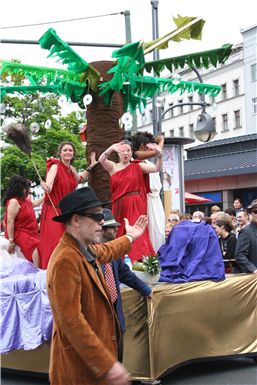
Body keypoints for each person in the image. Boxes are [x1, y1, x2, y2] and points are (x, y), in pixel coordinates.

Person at [47, 186, 148, 385]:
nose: (102, 222)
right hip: (78, 371)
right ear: (76, 220)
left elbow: (108, 250)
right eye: (97, 216)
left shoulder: (84, 248)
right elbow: (71, 322)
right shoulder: (65, 261)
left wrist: (130, 237)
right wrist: (106, 365)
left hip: (91, 368)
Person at [100, 209, 152, 362]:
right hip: (99, 319)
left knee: (117, 358)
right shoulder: (90, 253)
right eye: (112, 226)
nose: (117, 229)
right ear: (101, 229)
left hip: (115, 317)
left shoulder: (114, 252)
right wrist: (130, 237)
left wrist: (146, 289)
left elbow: (126, 274)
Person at [99, 140, 162, 262]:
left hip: (135, 203)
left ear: (131, 152)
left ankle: (141, 262)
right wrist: (111, 147)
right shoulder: (113, 167)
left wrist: (159, 156)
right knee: (118, 232)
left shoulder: (137, 166)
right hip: (119, 205)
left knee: (138, 231)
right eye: (123, 150)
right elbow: (101, 160)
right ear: (118, 152)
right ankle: (119, 262)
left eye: (128, 150)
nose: (126, 153)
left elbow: (156, 168)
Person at [39, 140, 97, 269]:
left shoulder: (72, 169)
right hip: (53, 210)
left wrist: (91, 165)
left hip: (66, 212)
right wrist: (45, 186)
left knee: (70, 243)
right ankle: (51, 272)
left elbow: (81, 179)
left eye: (70, 150)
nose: (68, 152)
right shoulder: (55, 166)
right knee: (54, 242)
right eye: (65, 150)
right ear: (60, 153)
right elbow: (49, 185)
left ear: (73, 153)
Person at [131, 132, 165, 252]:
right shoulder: (135, 158)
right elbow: (156, 152)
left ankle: (157, 258)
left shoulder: (149, 163)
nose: (147, 148)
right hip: (146, 199)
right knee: (152, 231)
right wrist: (160, 142)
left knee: (159, 230)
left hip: (156, 199)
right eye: (146, 145)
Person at [3, 175, 43, 267]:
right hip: (18, 232)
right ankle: (38, 270)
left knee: (43, 242)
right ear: (20, 188)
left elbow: (36, 203)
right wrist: (11, 241)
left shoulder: (26, 200)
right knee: (35, 245)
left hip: (30, 232)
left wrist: (48, 195)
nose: (28, 190)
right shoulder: (14, 201)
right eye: (26, 188)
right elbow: (10, 221)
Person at [235, 199, 257, 274]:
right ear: (250, 214)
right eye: (256, 212)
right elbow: (239, 255)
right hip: (253, 278)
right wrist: (253, 269)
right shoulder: (246, 231)